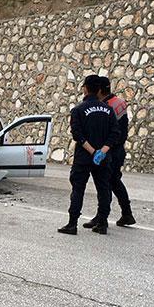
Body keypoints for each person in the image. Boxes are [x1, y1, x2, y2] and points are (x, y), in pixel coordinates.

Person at [58, 75, 120, 236]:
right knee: (104, 189)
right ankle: (102, 223)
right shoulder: (109, 110)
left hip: (84, 157)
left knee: (78, 189)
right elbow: (115, 133)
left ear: (85, 88)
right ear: (99, 90)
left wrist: (92, 151)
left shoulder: (78, 110)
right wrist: (102, 152)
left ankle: (72, 224)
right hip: (104, 157)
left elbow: (77, 135)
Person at [83, 77, 135, 228]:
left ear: (98, 90)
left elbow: (115, 132)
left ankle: (103, 217)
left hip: (110, 150)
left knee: (105, 183)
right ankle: (126, 213)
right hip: (117, 149)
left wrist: (103, 149)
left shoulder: (106, 106)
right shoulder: (119, 103)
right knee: (114, 181)